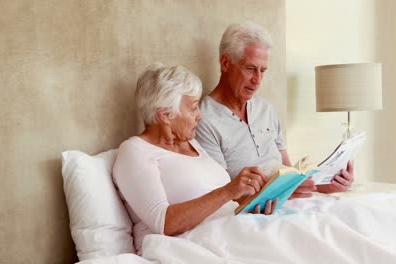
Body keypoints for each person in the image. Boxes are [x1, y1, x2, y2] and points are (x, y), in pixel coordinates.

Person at [112, 63, 278, 255]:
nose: (200, 115)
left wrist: (254, 201)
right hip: (190, 245)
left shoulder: (192, 144)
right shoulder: (135, 151)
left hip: (230, 231)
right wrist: (229, 191)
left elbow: (218, 199)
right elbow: (164, 222)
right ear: (165, 115)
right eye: (193, 108)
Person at [195, 22, 354, 196]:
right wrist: (281, 192)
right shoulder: (204, 120)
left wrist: (328, 184)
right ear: (225, 63)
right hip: (252, 213)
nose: (258, 80)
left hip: (287, 202)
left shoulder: (265, 109)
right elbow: (221, 195)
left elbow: (289, 172)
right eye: (250, 69)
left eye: (262, 70)